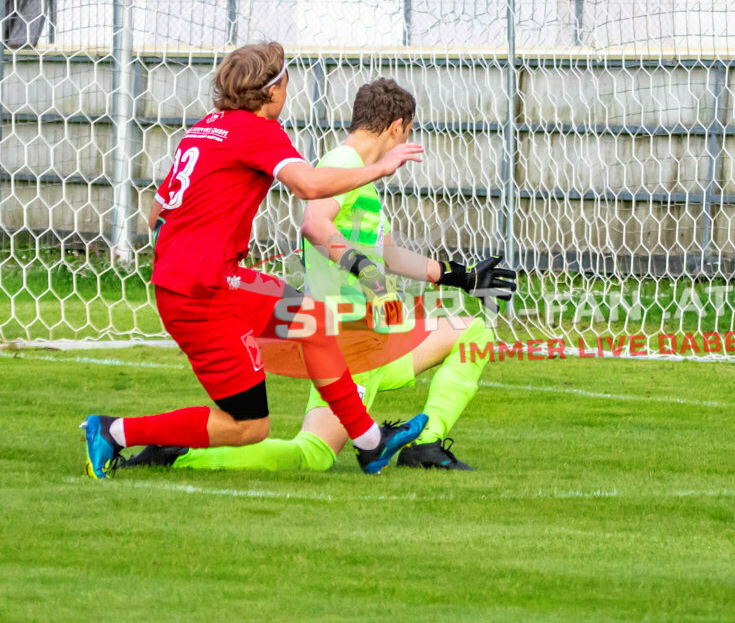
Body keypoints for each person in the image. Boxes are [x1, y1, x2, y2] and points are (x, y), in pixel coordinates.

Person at [121, 78, 516, 474]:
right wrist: (368, 275)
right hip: (349, 339)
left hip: (378, 332)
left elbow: (390, 253)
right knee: (313, 454)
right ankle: (180, 452)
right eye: (408, 131)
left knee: (471, 333)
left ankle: (425, 445)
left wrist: (460, 277)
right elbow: (315, 224)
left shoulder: (360, 175)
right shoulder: (342, 164)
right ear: (397, 127)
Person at [81, 44, 427, 479]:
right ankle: (114, 432)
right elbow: (308, 185)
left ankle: (370, 442)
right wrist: (381, 168)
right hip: (204, 293)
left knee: (313, 322)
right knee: (249, 426)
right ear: (272, 90)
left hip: (205, 279)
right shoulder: (258, 130)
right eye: (286, 81)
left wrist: (192, 251)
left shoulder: (204, 128)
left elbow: (156, 214)